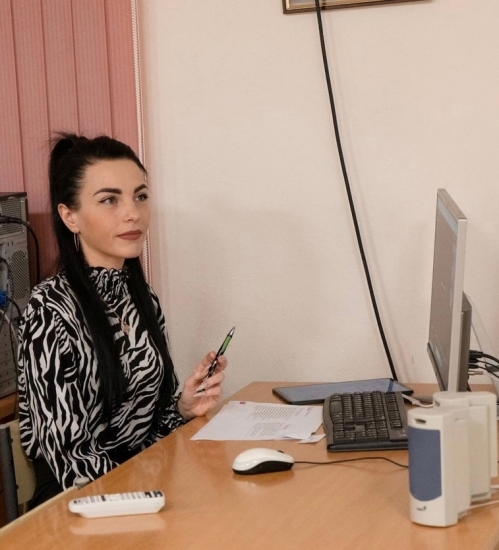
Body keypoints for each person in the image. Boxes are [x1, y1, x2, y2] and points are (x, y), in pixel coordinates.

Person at [17, 133, 227, 508]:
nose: (133, 213)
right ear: (70, 216)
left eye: (140, 196)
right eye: (110, 200)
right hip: (82, 505)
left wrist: (183, 407)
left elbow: (149, 431)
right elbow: (72, 462)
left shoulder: (142, 298)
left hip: (142, 485)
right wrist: (151, 499)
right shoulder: (49, 308)